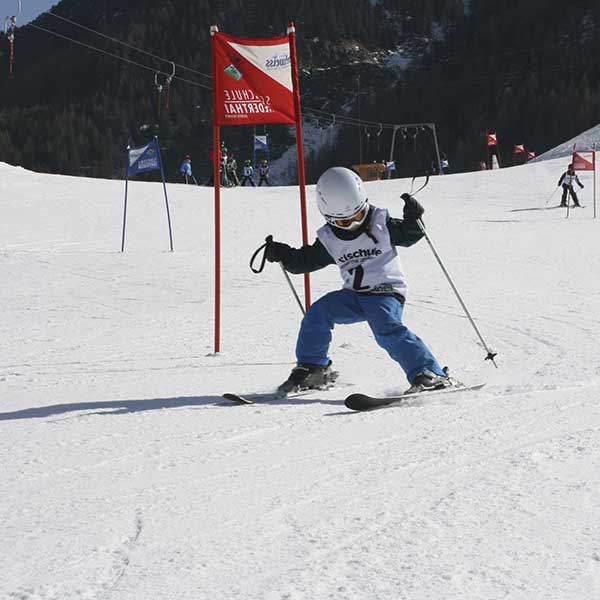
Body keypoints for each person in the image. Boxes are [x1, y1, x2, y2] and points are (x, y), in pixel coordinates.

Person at [264, 166, 455, 395]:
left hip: (386, 291)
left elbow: (409, 235)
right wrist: (284, 255)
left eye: (357, 216)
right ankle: (314, 368)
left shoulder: (381, 224)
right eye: (344, 222)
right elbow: (307, 261)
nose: (352, 224)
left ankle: (429, 373)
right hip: (354, 295)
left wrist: (413, 219)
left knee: (385, 326)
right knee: (319, 312)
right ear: (330, 218)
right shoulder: (330, 238)